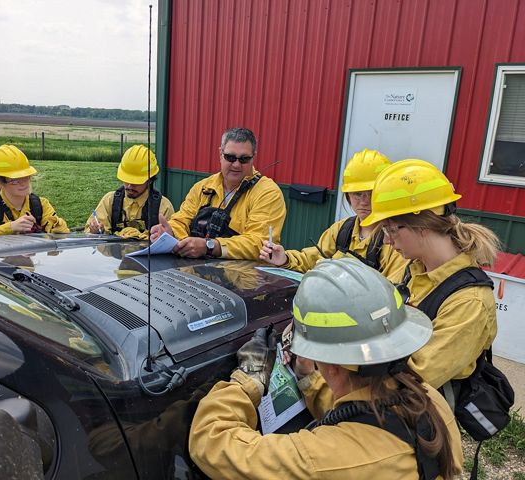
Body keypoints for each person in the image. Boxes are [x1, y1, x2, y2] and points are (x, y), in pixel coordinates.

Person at [189, 258, 463, 479]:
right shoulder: (427, 398)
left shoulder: (323, 459)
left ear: (330, 365)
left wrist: (248, 379)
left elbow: (211, 442)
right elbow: (361, 410)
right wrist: (309, 378)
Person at [359, 158, 500, 393]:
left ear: (422, 225)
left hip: (417, 413)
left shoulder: (469, 303)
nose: (385, 240)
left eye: (390, 229)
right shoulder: (412, 269)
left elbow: (413, 381)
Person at [259, 148, 406, 279]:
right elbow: (311, 259)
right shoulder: (343, 230)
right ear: (348, 195)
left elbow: (391, 294)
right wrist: (284, 259)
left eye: (371, 194)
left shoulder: (394, 240)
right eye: (358, 194)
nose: (364, 202)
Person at [149, 127, 286, 260]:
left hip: (246, 277)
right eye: (230, 157)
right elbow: (182, 219)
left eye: (244, 159)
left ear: (253, 157)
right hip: (197, 272)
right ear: (220, 154)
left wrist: (210, 246)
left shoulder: (268, 193)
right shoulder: (202, 187)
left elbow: (259, 243)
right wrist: (170, 233)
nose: (237, 165)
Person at [0, 145, 69, 237]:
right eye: (15, 180)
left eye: (26, 176)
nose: (23, 183)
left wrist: (57, 228)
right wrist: (10, 228)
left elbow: (61, 238)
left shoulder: (41, 204)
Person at [84, 144, 174, 239]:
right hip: (115, 253)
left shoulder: (163, 207)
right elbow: (89, 234)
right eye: (127, 180)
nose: (130, 186)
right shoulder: (110, 200)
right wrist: (95, 231)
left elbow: (169, 241)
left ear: (150, 180)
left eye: (136, 182)